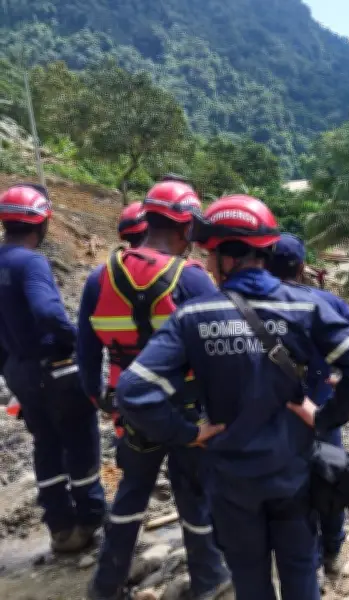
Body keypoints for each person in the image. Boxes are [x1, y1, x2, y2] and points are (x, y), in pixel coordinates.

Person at [113, 194, 349, 600]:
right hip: (293, 476)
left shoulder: (192, 316)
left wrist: (186, 433)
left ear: (225, 256)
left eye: (211, 253)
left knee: (250, 580)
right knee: (300, 573)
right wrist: (323, 418)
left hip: (231, 484)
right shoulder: (308, 305)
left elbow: (133, 390)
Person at [77, 180, 229, 600]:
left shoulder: (99, 277)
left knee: (130, 494)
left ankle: (106, 585)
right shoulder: (193, 280)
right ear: (186, 228)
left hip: (131, 410)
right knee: (194, 497)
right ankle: (208, 580)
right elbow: (219, 357)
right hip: (187, 411)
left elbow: (86, 356)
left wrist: (101, 401)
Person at [0, 184, 106, 552]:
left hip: (21, 371)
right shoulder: (30, 262)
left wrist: (11, 369)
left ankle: (59, 527)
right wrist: (78, 340)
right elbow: (47, 312)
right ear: (42, 223)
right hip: (54, 369)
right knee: (80, 441)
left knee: (46, 444)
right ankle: (91, 519)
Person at [269, 233, 349, 578]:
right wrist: (339, 377)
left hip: (281, 410)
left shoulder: (256, 304)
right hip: (324, 410)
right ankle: (331, 549)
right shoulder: (324, 300)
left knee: (290, 482)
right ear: (302, 267)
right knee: (330, 475)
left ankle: (305, 556)